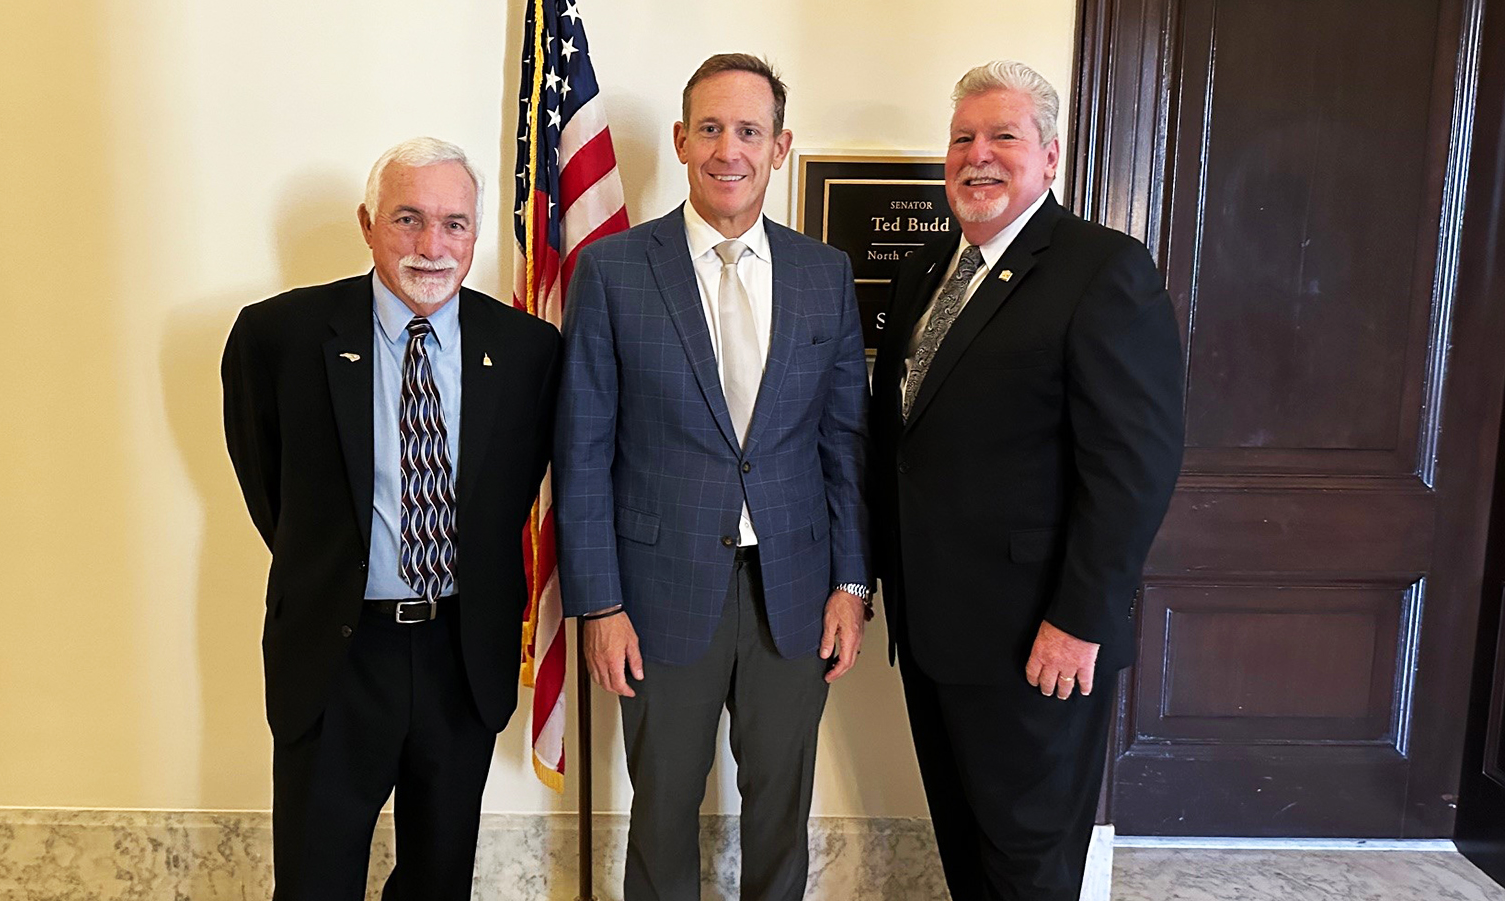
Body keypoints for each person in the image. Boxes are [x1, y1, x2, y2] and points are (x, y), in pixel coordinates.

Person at [554, 53, 870, 901]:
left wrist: (851, 583)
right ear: (682, 140)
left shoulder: (823, 274)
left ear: (780, 147)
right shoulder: (614, 270)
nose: (729, 149)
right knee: (660, 814)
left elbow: (844, 444)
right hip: (656, 595)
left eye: (750, 131)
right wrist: (599, 603)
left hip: (794, 592)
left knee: (781, 813)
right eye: (712, 129)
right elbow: (581, 448)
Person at [869, 61, 1184, 901]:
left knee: (1028, 869)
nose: (979, 155)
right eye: (963, 138)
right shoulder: (925, 271)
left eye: (1003, 136)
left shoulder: (1102, 269)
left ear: (1050, 155)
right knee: (970, 853)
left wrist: (1079, 619)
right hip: (935, 636)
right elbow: (901, 443)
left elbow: (1134, 465)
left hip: (1037, 644)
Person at [221, 137, 561, 901]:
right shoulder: (279, 338)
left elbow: (515, 488)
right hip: (337, 656)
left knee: (438, 882)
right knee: (315, 880)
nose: (432, 246)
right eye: (409, 219)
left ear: (476, 234)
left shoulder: (529, 351)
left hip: (459, 654)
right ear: (367, 223)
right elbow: (267, 484)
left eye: (455, 224)